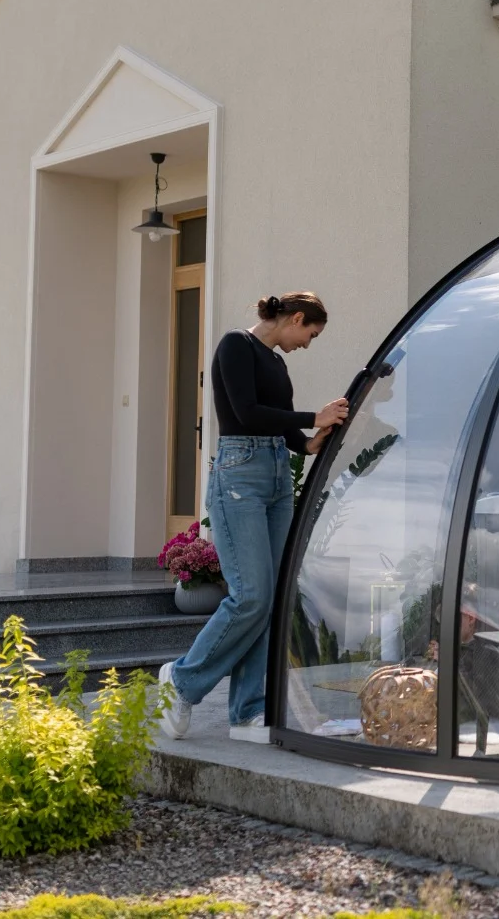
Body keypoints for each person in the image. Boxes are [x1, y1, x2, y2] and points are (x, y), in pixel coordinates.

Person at [159, 291, 348, 743]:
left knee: (272, 597)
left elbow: (280, 427)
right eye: (310, 333)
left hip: (277, 478)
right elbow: (245, 413)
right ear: (296, 318)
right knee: (251, 596)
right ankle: (181, 683)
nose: (308, 344)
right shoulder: (234, 346)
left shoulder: (277, 364)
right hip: (239, 475)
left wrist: (307, 441)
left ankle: (248, 712)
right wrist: (310, 414)